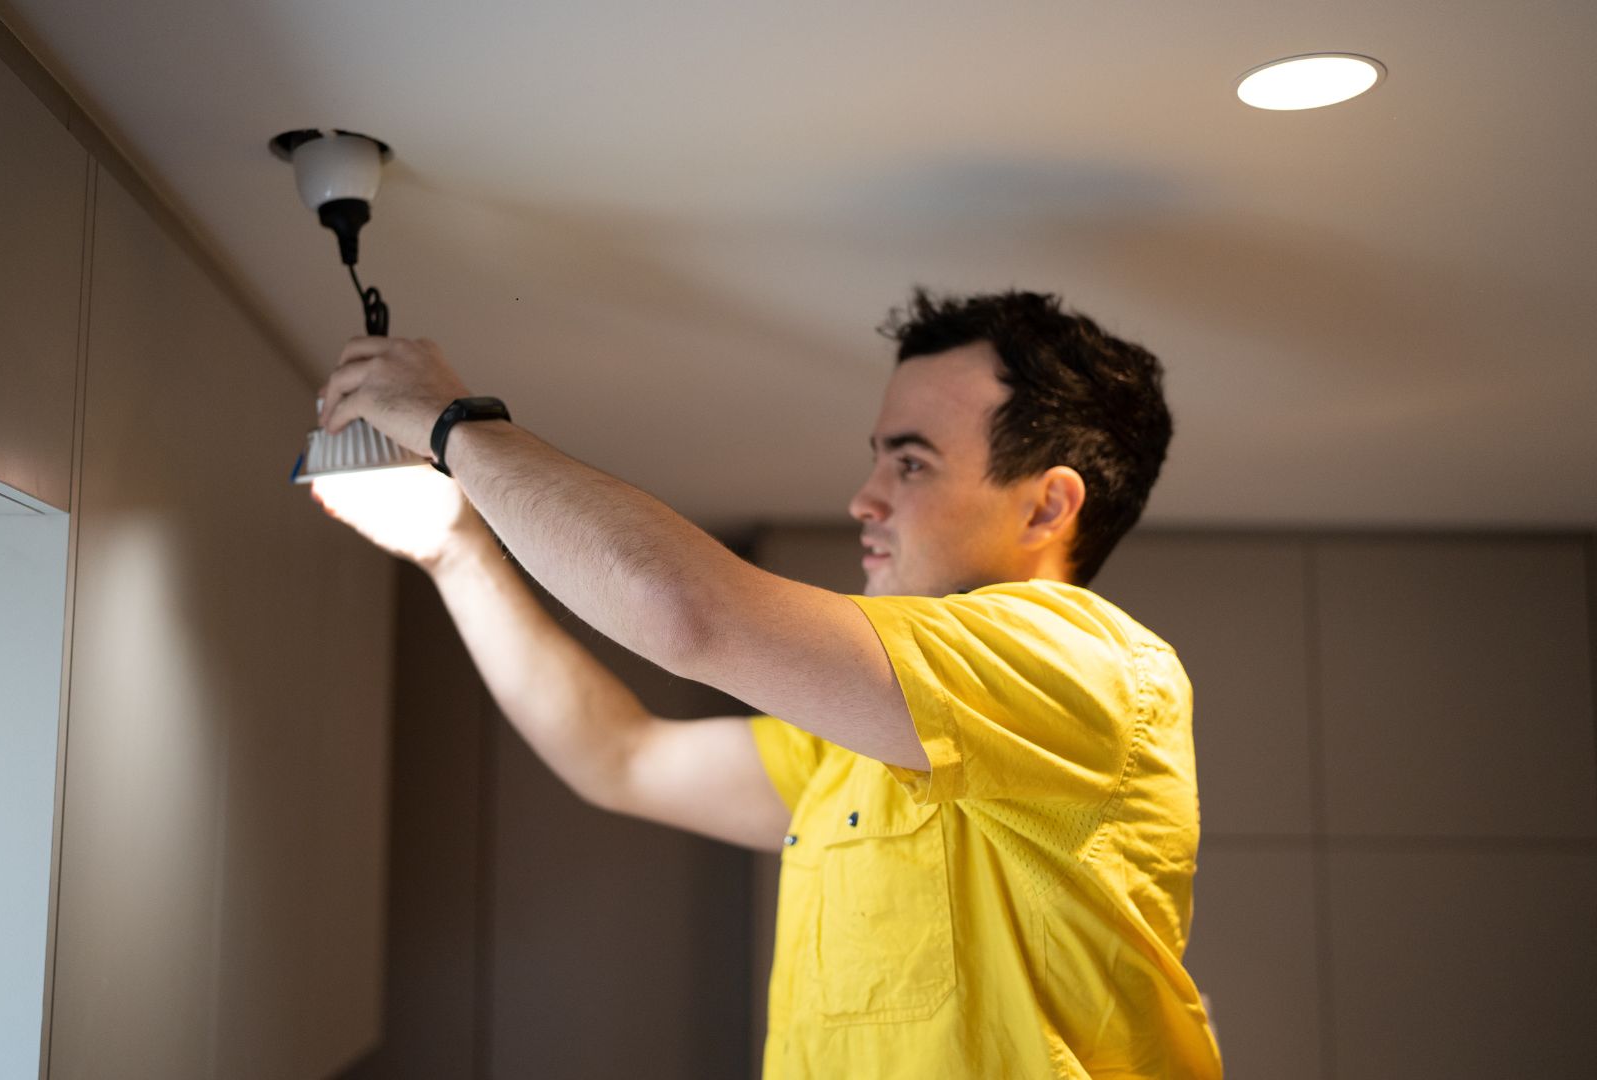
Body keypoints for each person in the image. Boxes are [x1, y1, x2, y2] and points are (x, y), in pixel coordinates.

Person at [312, 287, 1223, 1079]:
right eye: (877, 458)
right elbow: (618, 758)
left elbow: (683, 613)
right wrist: (455, 550)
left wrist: (453, 426)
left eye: (910, 462)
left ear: (1049, 504)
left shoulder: (1078, 663)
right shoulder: (864, 741)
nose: (864, 499)